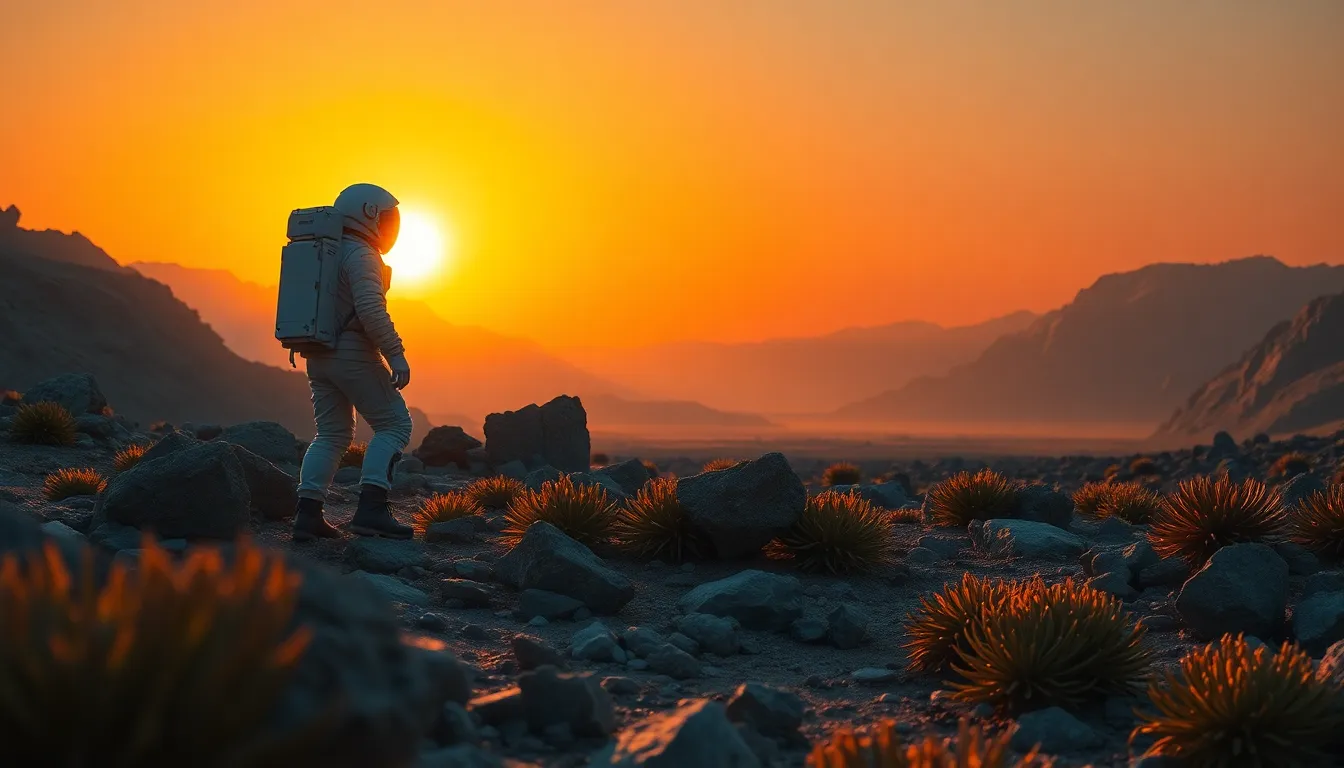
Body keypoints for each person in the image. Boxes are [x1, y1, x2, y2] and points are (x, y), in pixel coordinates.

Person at [292, 182, 415, 541]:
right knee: (394, 425)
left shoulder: (324, 251)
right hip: (353, 354)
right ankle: (371, 510)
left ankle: (307, 515)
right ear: (369, 214)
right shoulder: (361, 255)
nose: (391, 228)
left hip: (317, 353)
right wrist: (396, 353)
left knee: (331, 434)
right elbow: (371, 309)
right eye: (387, 219)